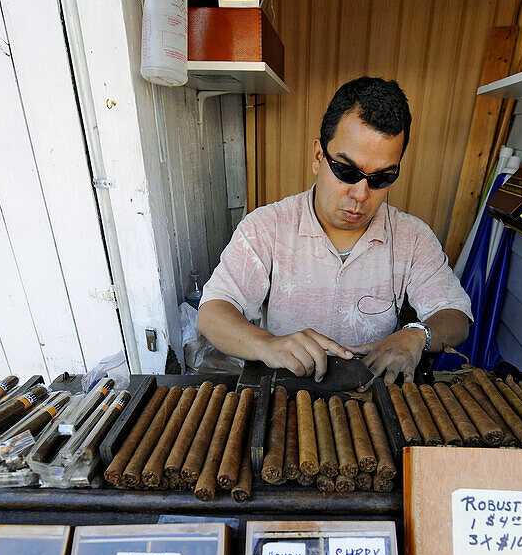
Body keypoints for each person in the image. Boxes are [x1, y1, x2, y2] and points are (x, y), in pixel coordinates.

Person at [197, 77, 472, 384]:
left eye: (381, 178)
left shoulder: (412, 238)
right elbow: (213, 312)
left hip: (369, 401)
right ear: (318, 157)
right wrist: (268, 344)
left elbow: (455, 314)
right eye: (346, 170)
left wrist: (417, 334)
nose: (360, 194)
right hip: (285, 397)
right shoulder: (266, 228)